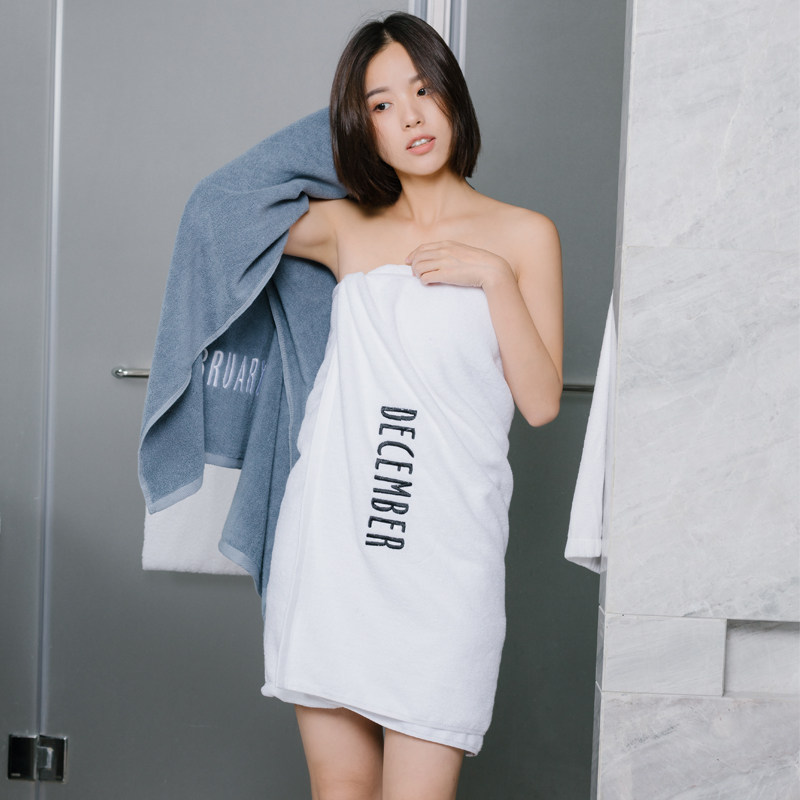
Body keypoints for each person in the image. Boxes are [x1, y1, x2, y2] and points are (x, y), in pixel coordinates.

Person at [263, 12, 563, 800]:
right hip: (336, 547)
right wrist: (340, 137)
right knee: (340, 791)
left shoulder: (524, 235)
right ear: (360, 125)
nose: (411, 117)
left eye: (424, 91)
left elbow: (540, 403)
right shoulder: (343, 227)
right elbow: (225, 208)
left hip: (443, 557)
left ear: (453, 97)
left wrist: (492, 276)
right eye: (382, 104)